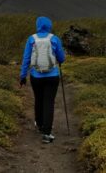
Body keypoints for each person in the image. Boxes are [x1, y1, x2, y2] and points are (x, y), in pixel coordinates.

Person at [19, 16, 65, 144]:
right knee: (49, 103)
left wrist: (22, 76)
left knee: (39, 100)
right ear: (49, 25)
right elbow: (61, 59)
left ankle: (39, 125)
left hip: (36, 76)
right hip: (52, 76)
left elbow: (26, 59)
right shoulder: (54, 38)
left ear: (37, 25)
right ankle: (47, 133)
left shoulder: (31, 39)